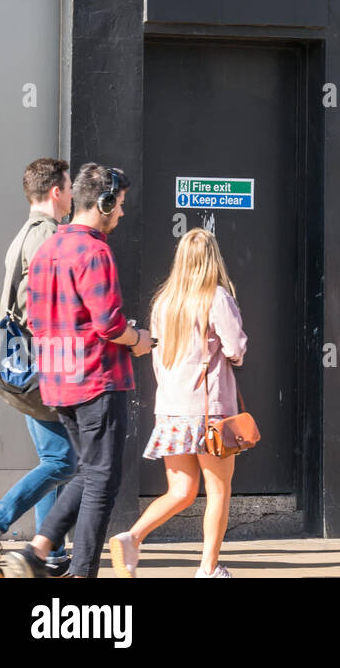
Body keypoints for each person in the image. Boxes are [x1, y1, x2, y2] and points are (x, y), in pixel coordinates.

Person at [0, 164, 152, 579]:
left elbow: (33, 318)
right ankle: (81, 573)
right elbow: (109, 324)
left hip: (56, 381)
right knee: (102, 482)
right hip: (96, 379)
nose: (121, 214)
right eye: (118, 206)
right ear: (102, 203)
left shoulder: (49, 246)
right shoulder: (95, 250)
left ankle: (37, 549)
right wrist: (139, 340)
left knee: (88, 472)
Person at [108, 229, 248, 578]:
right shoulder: (216, 298)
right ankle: (208, 568)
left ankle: (132, 536)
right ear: (212, 259)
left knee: (181, 491)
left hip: (171, 409)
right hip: (209, 410)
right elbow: (236, 349)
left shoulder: (164, 302)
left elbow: (156, 357)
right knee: (218, 490)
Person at [0, 159, 77, 577]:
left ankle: (49, 551)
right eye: (70, 187)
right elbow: (47, 305)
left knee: (54, 457)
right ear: (56, 191)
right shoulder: (47, 236)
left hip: (25, 360)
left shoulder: (25, 234)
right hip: (41, 363)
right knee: (63, 462)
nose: (73, 194)